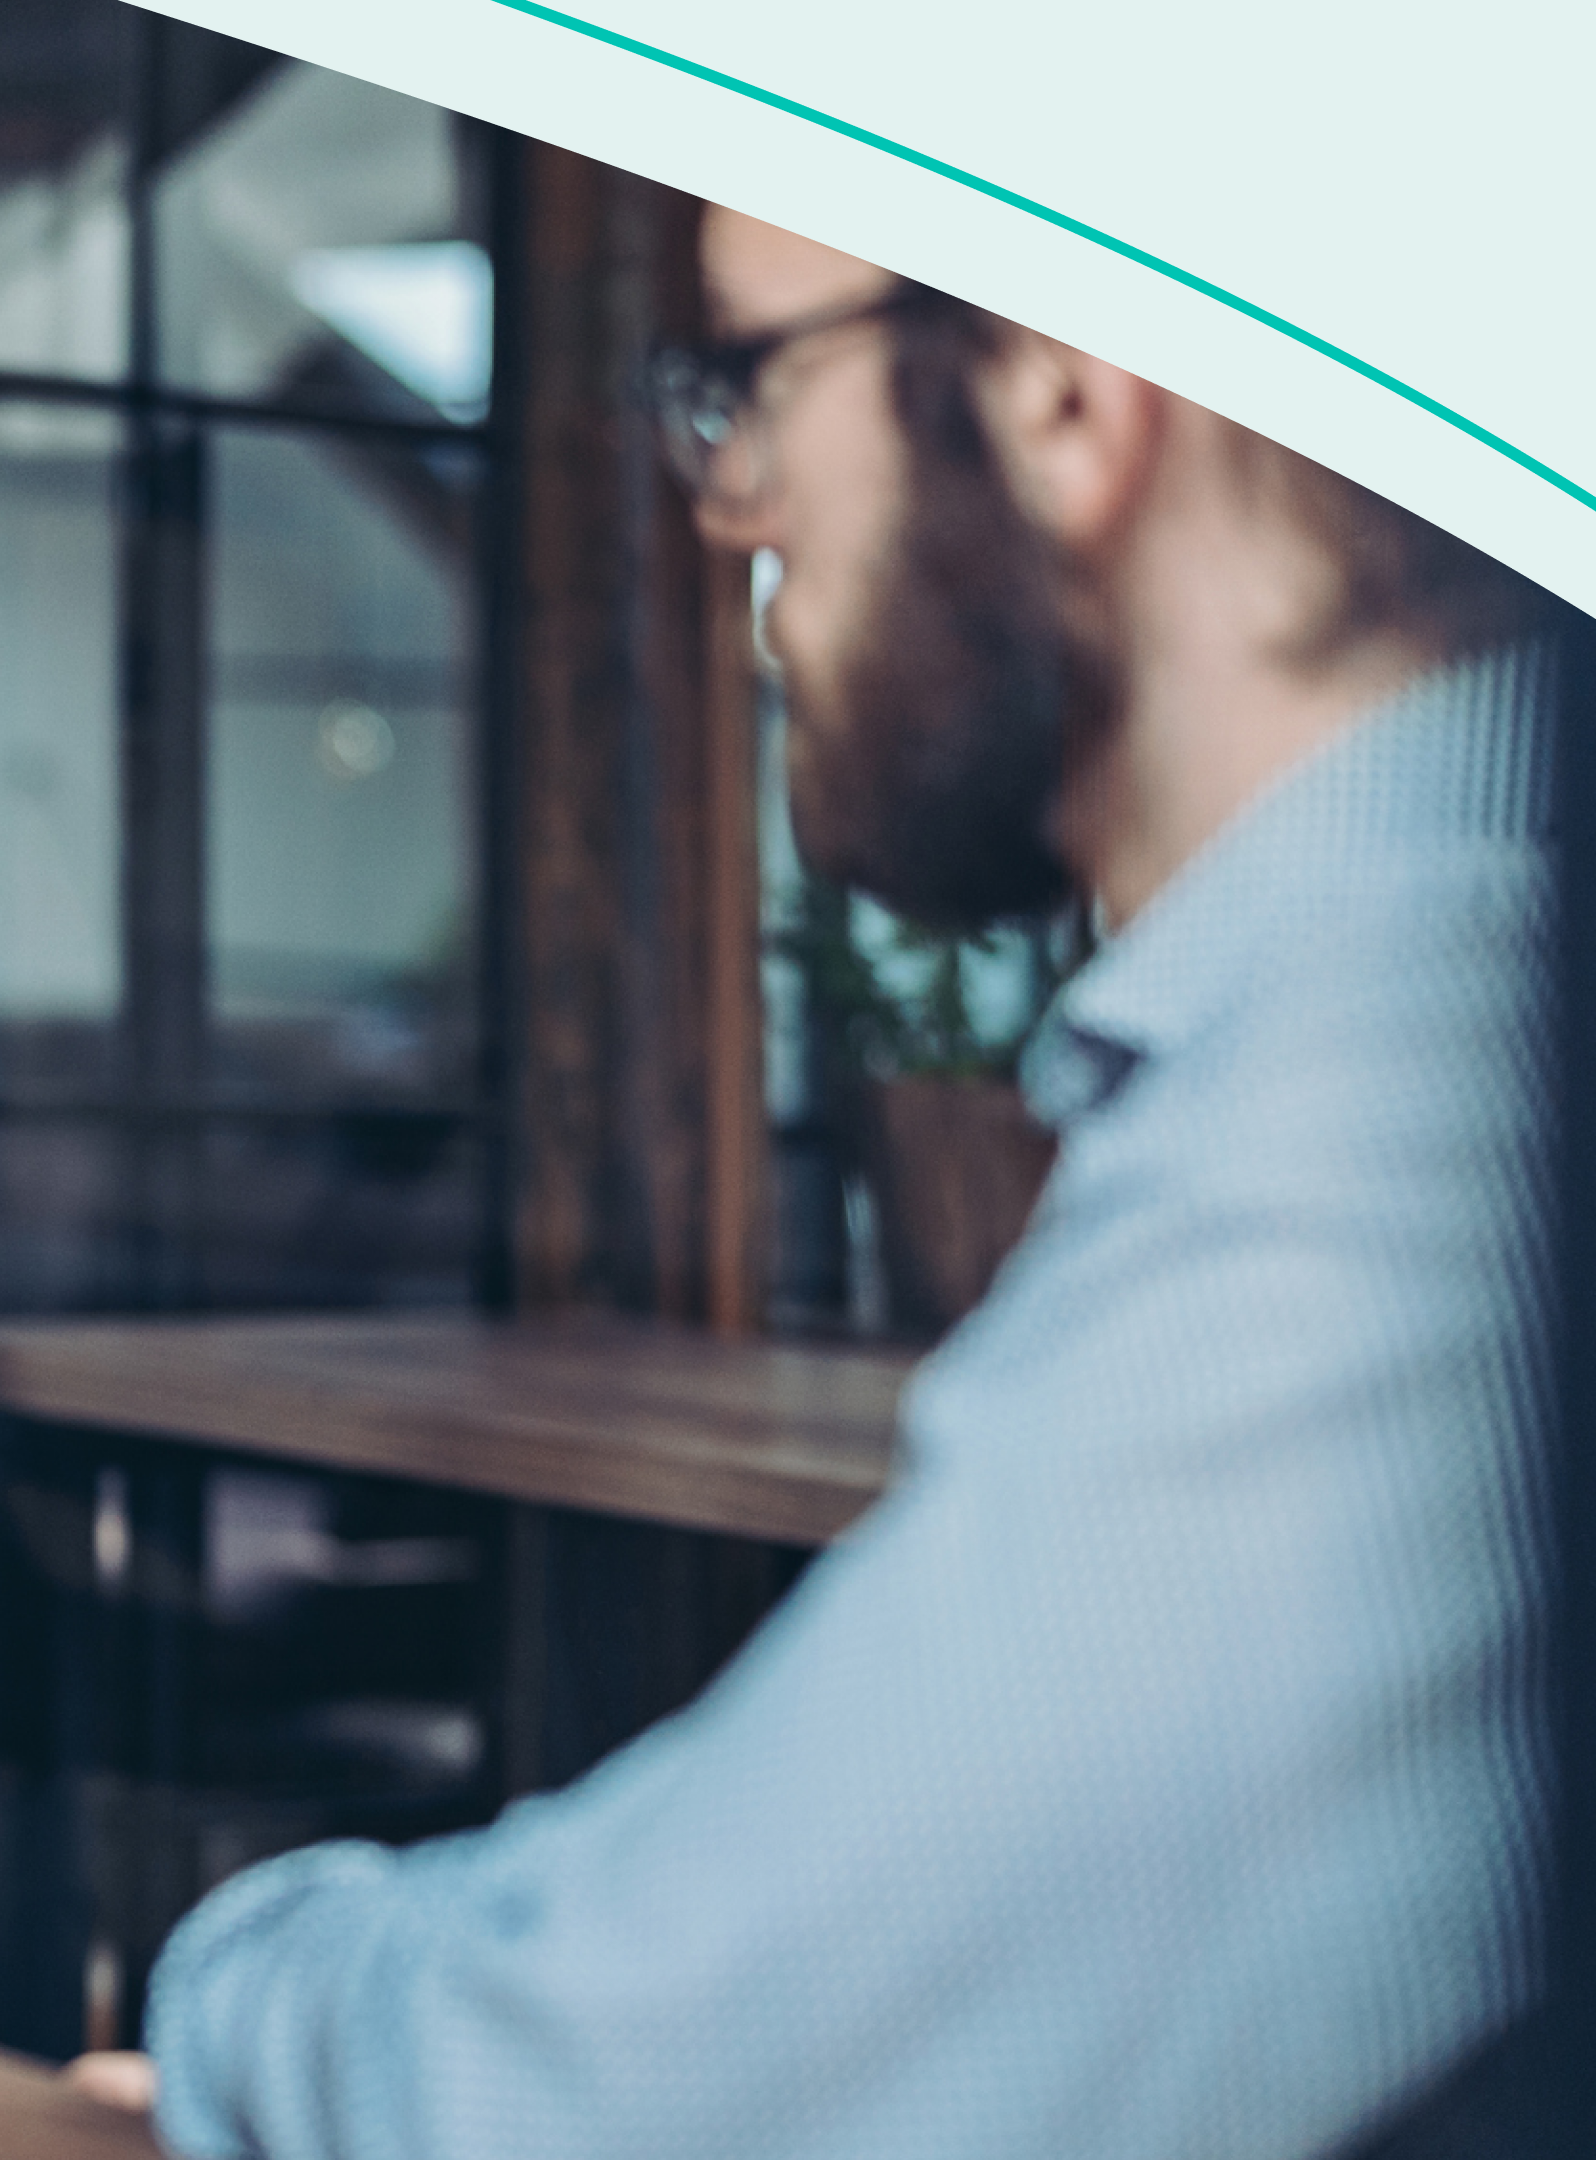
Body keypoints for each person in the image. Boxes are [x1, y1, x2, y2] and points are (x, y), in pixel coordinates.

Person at [77, 208, 1568, 2154]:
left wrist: (232, 1998)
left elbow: (635, 2081)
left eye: (756, 378)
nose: (728, 504)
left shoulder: (1433, 1089)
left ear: (1061, 385)